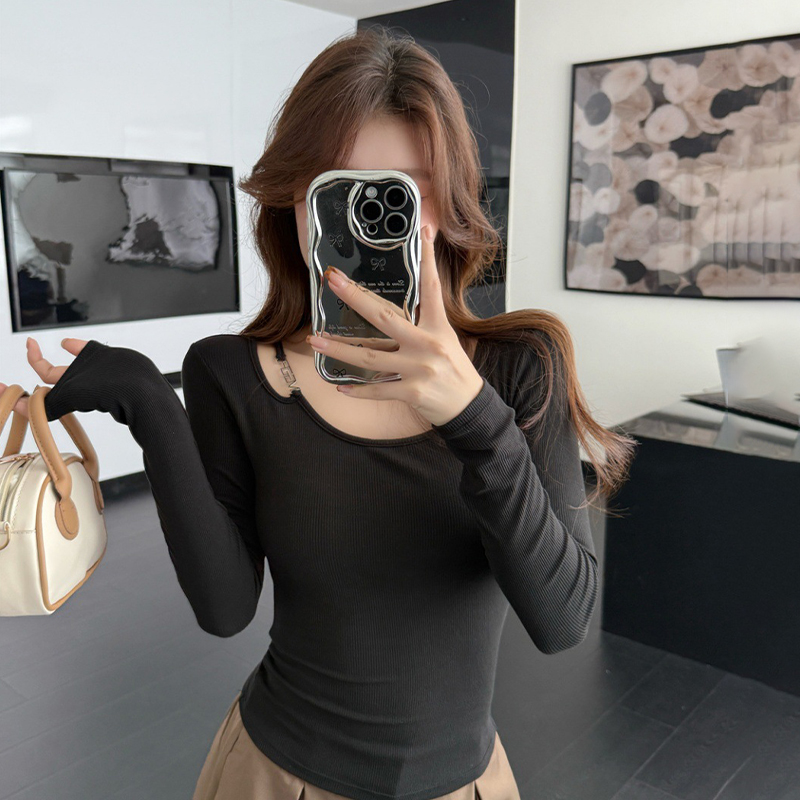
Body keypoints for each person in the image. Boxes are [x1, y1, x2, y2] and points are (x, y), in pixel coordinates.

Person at [1, 25, 636, 800]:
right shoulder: (233, 373)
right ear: (295, 204)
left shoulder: (521, 367)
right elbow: (225, 610)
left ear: (444, 205)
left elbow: (562, 622)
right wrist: (149, 404)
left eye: (400, 194)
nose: (367, 225)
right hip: (272, 773)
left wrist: (474, 418)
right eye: (335, 193)